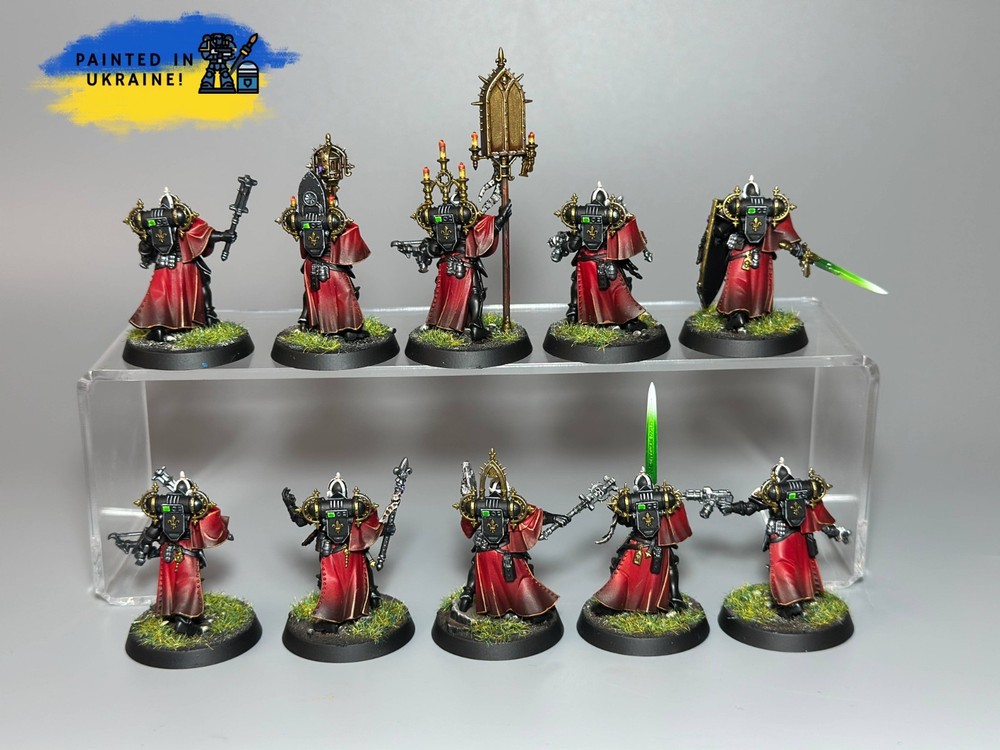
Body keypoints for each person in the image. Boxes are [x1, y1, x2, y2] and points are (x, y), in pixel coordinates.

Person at [717, 460, 851, 616]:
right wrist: (836, 532)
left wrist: (731, 507)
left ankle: (791, 604)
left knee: (782, 568)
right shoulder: (803, 491)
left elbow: (750, 507)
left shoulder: (775, 491)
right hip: (800, 536)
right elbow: (817, 519)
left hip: (782, 535)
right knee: (798, 567)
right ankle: (800, 597)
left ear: (774, 477)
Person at [124, 469, 232, 635]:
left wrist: (144, 548)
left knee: (172, 584)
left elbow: (153, 530)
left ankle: (181, 616)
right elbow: (207, 521)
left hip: (168, 552)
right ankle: (183, 622)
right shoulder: (188, 511)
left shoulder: (166, 509)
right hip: (185, 552)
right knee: (187, 585)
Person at [281, 473, 389, 631]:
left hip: (348, 549)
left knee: (356, 578)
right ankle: (333, 617)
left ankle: (369, 597)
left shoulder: (337, 506)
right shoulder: (345, 506)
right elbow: (369, 526)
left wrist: (383, 529)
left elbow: (367, 526)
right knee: (332, 582)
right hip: (335, 551)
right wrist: (290, 505)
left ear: (328, 492)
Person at [126, 189, 235, 340]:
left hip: (183, 265)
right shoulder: (157, 227)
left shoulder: (181, 225)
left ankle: (208, 317)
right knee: (160, 297)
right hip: (171, 265)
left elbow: (203, 235)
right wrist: (222, 236)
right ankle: (158, 327)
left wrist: (222, 236)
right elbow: (147, 248)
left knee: (195, 290)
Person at [702, 176, 808, 330]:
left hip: (748, 252)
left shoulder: (742, 207)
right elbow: (721, 230)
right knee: (745, 283)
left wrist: (796, 247)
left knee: (744, 283)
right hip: (753, 252)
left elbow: (720, 230)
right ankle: (743, 315)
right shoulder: (761, 208)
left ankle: (741, 315)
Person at [549, 183, 652, 329]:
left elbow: (574, 244)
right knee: (584, 287)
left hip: (601, 260)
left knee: (617, 288)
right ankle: (575, 313)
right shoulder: (590, 221)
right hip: (592, 260)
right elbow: (573, 243)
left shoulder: (602, 223)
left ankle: (623, 319)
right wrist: (562, 246)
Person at [592, 471, 692, 613]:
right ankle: (616, 603)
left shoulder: (637, 501)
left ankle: (675, 598)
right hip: (644, 546)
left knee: (668, 565)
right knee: (623, 570)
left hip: (649, 545)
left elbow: (626, 520)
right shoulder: (659, 500)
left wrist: (618, 510)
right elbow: (627, 520)